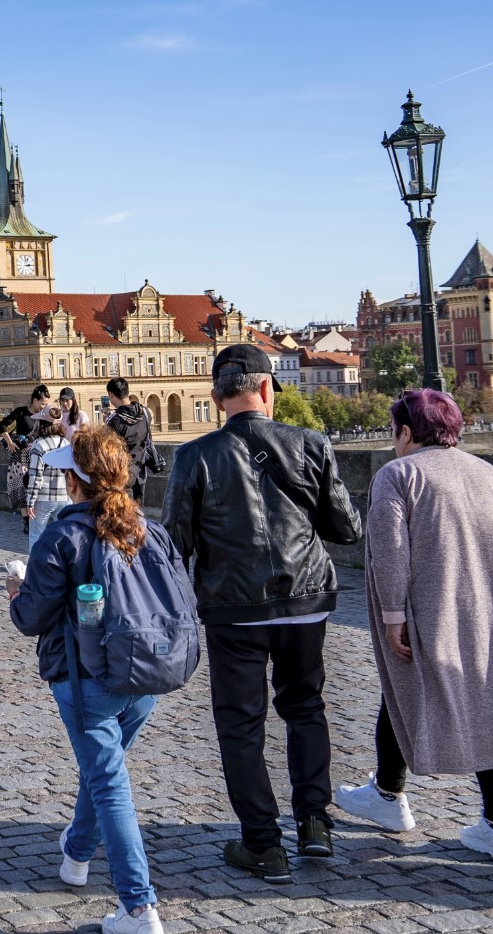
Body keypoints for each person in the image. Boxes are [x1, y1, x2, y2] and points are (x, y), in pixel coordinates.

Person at [164, 344, 361, 882]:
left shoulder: (194, 455)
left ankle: (262, 844)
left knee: (241, 725)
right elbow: (347, 529)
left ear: (215, 396)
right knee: (305, 708)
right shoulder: (311, 443)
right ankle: (315, 824)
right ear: (269, 389)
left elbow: (175, 542)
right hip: (305, 601)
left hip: (234, 609)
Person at [8, 426, 176, 934]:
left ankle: (139, 907)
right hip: (145, 676)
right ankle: (76, 854)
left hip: (87, 680)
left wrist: (17, 590)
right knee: (103, 771)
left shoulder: (63, 534)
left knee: (109, 784)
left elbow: (30, 619)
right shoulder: (146, 527)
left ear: (76, 481)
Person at [334, 389, 493, 858]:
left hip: (429, 607)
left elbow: (389, 552)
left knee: (403, 689)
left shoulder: (398, 474)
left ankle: (387, 797)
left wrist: (392, 615)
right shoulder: (485, 472)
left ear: (406, 431)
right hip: (483, 607)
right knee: (483, 700)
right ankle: (396, 793)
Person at [0, 384, 53, 524]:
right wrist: (10, 442)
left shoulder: (43, 416)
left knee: (35, 487)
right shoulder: (21, 412)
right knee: (22, 490)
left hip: (36, 455)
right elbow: (2, 425)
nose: (44, 407)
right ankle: (26, 521)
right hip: (20, 456)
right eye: (43, 403)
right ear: (35, 400)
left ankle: (34, 518)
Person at [104, 378, 159, 503]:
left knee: (125, 512)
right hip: (141, 468)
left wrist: (106, 422)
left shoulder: (115, 420)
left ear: (111, 395)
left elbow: (108, 448)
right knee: (138, 511)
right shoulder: (145, 412)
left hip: (123, 472)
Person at [23, 408, 72, 545]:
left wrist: (30, 501)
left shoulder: (39, 446)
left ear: (42, 424)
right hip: (65, 496)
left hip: (43, 498)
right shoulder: (67, 444)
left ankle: (36, 566)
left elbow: (35, 476)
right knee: (64, 537)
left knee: (36, 536)